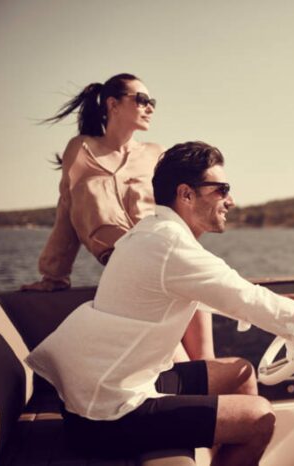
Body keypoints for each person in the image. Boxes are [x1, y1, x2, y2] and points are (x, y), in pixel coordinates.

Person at [25, 141, 294, 466]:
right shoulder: (171, 247)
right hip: (106, 413)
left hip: (112, 384)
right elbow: (264, 309)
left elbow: (236, 295)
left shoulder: (153, 232)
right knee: (260, 416)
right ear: (186, 194)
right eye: (221, 189)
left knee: (241, 372)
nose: (231, 200)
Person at [21, 73, 214, 362]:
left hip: (174, 259)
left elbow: (183, 211)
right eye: (142, 100)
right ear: (113, 104)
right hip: (130, 271)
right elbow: (67, 210)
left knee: (204, 362)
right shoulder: (81, 149)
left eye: (153, 102)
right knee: (178, 364)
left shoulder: (155, 154)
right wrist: (54, 273)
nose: (150, 107)